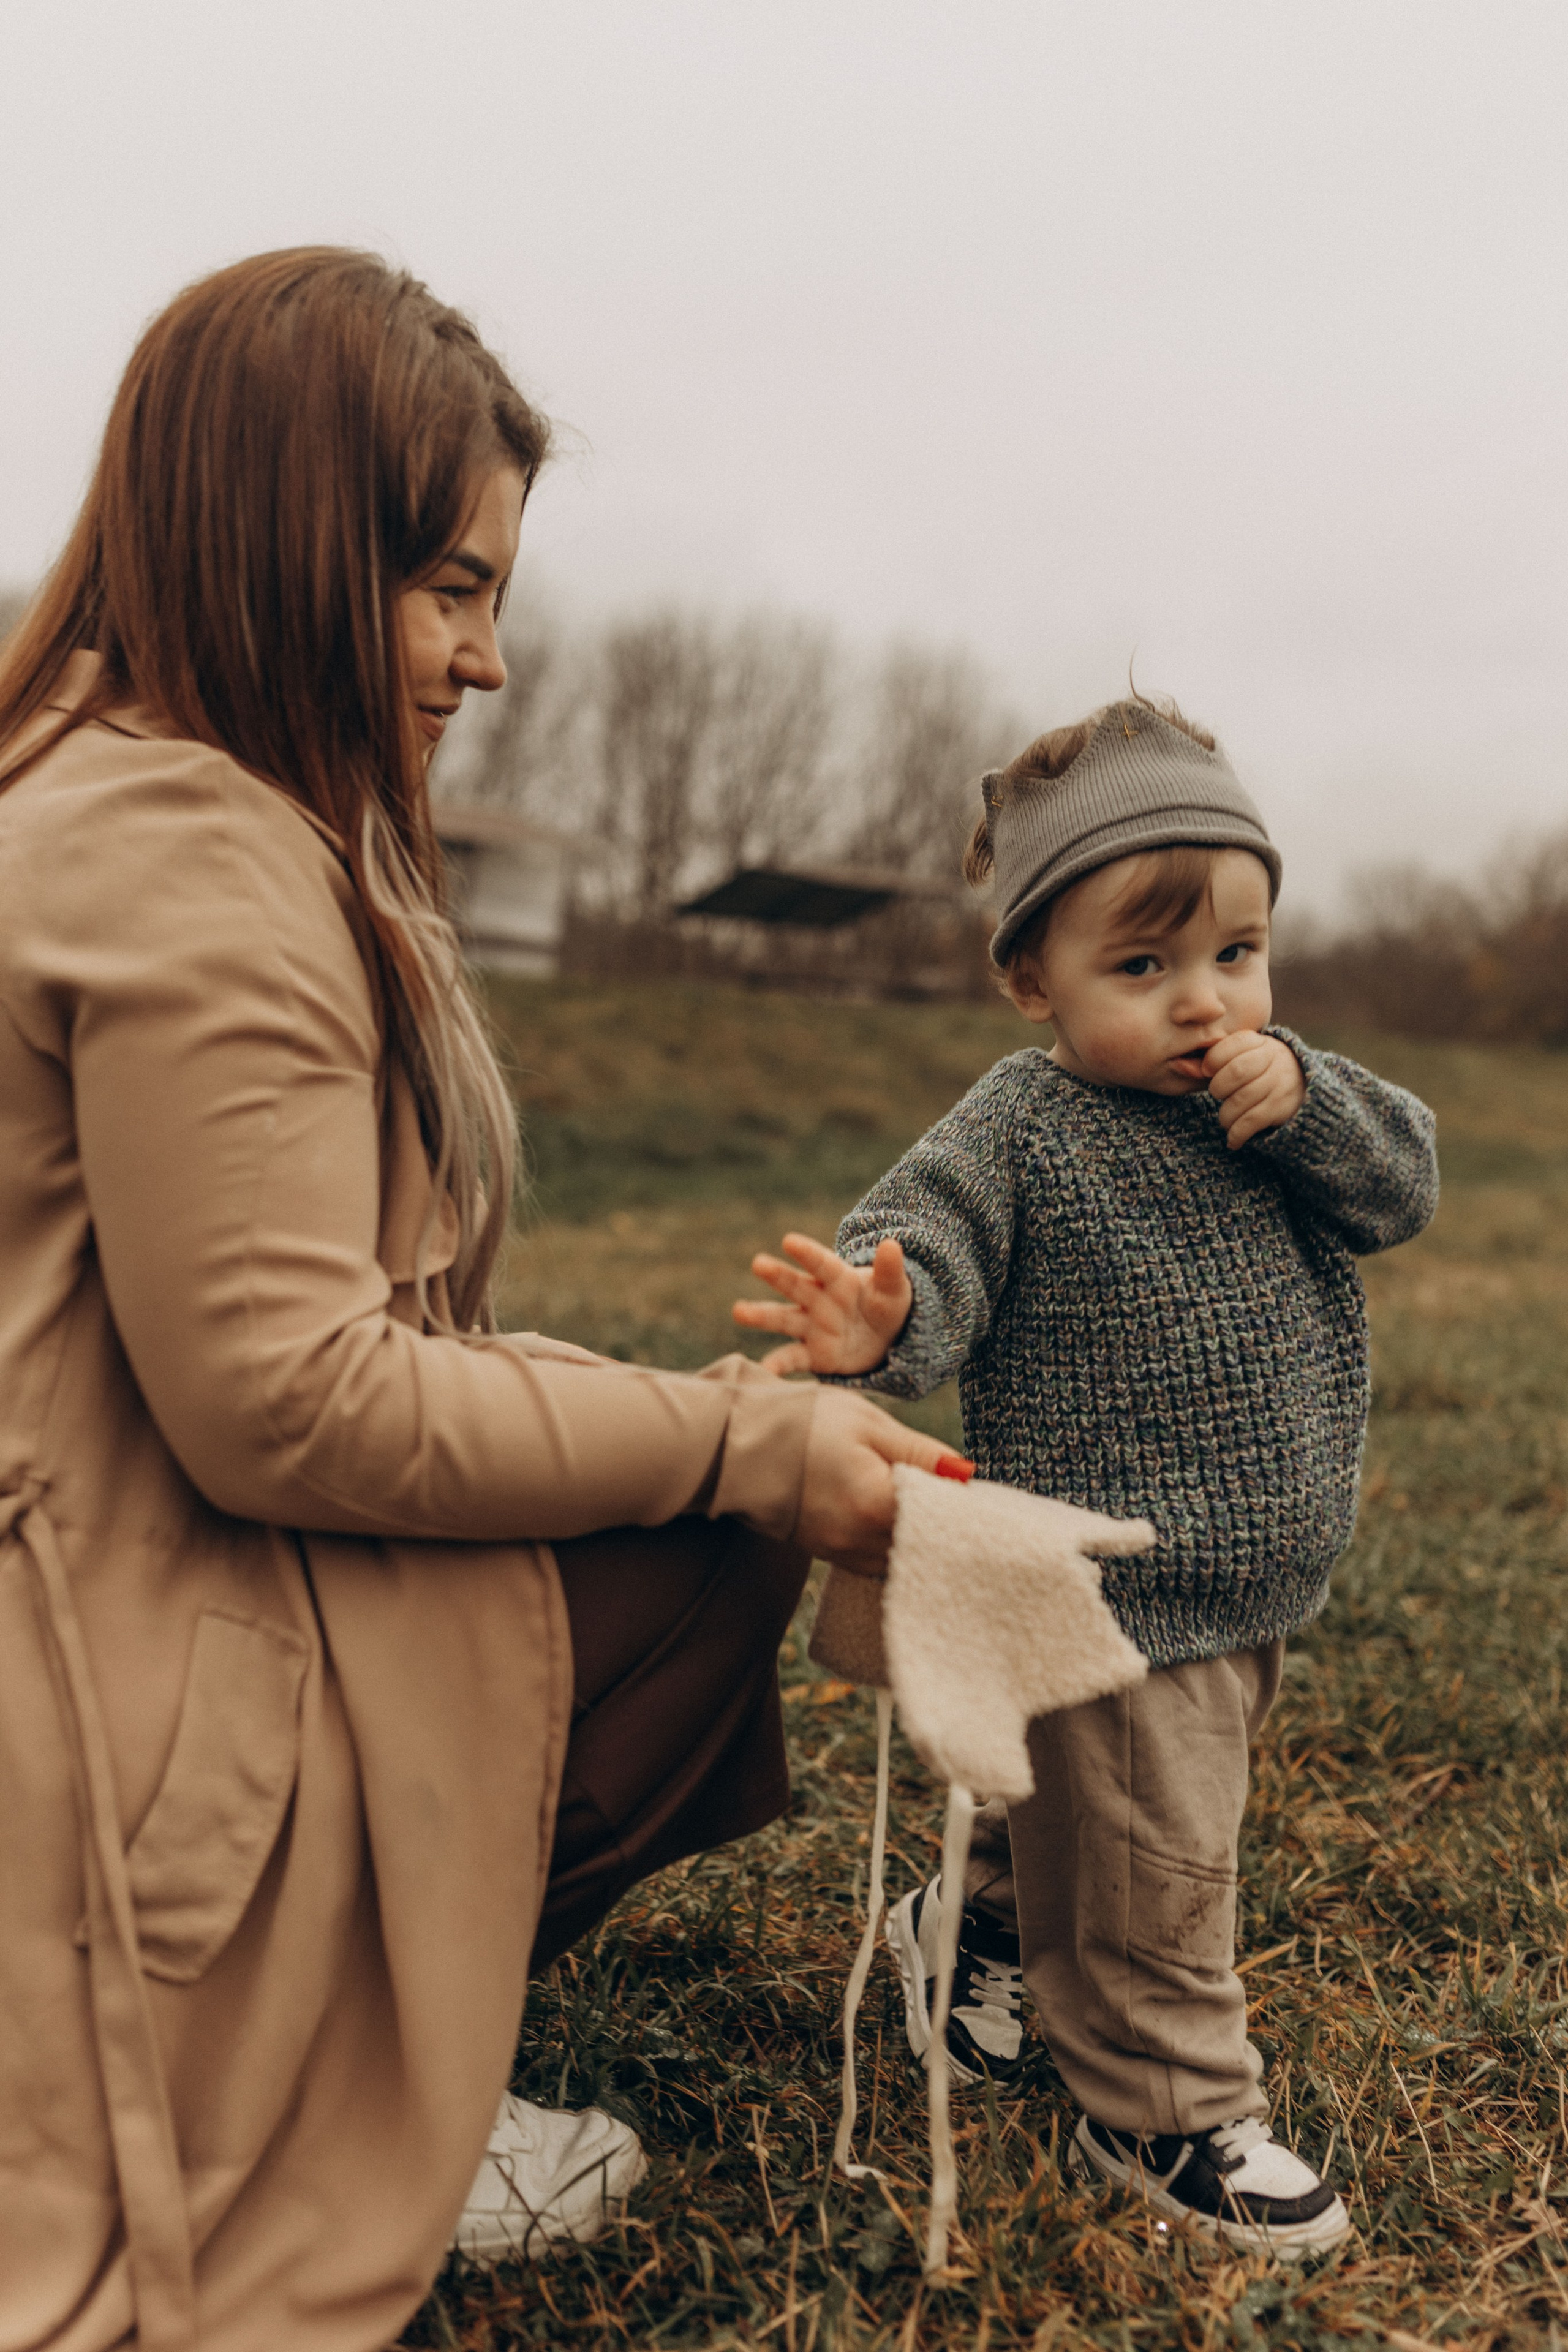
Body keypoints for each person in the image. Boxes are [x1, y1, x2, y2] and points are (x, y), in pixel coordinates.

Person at [0, 248, 963, 2352]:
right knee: (707, 1544)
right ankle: (331, 2094)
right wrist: (746, 1444)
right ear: (285, 543)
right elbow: (291, 1401)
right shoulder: (192, 854)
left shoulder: (90, 787)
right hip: (89, 1690)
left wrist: (711, 1415)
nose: (489, 660)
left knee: (690, 1465)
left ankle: (359, 2033)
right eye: (451, 587)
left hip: (90, 1589)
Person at [736, 696, 1439, 2256]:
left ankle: (972, 1932)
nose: (1203, 1001)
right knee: (1153, 1861)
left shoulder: (1281, 1103)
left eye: (1236, 953)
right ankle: (1159, 2110)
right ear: (1028, 978)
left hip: (1250, 1571)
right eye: (1141, 966)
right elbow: (932, 1238)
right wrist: (883, 1312)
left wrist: (1310, 1105)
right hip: (1103, 1578)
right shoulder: (1023, 1126)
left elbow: (1402, 1187)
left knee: (1074, 1805)